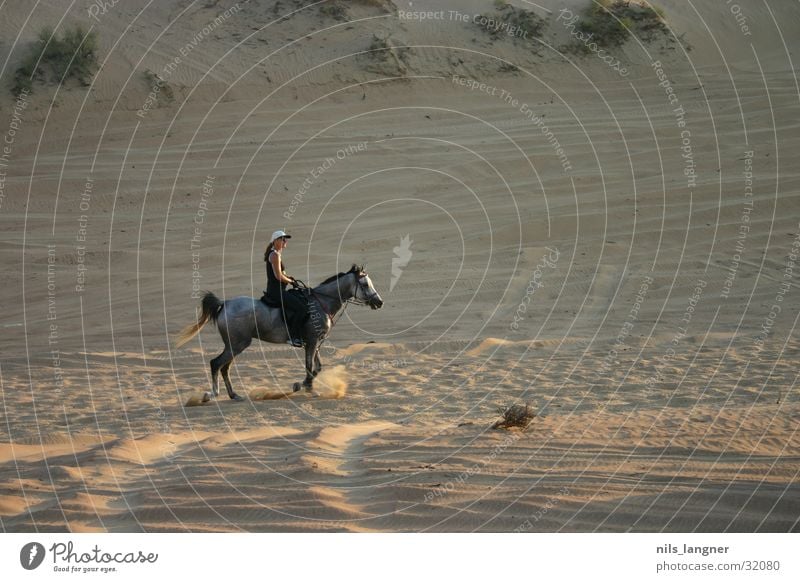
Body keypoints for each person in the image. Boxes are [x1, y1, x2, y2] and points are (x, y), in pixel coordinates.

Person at [262, 230, 307, 347]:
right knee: (301, 308)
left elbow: (281, 274)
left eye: (285, 239)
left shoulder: (275, 254)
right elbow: (278, 276)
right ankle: (293, 337)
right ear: (276, 241)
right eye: (283, 239)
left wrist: (289, 277)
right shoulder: (275, 255)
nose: (285, 241)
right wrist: (290, 281)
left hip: (278, 290)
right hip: (276, 292)